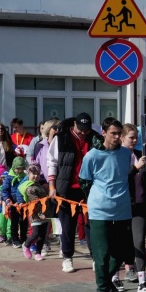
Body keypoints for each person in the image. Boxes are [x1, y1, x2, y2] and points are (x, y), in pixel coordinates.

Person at [79, 119, 135, 292]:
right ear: (103, 133)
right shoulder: (92, 156)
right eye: (114, 133)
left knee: (120, 252)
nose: (118, 137)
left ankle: (107, 282)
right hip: (99, 211)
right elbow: (84, 181)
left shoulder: (126, 154)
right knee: (102, 253)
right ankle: (103, 291)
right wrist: (96, 199)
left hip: (122, 209)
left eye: (120, 133)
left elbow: (126, 175)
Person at [47, 112, 103, 273]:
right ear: (74, 125)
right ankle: (67, 257)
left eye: (86, 129)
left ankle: (95, 257)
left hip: (90, 189)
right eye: (81, 130)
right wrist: (52, 186)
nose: (84, 133)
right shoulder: (61, 138)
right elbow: (52, 162)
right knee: (68, 226)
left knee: (91, 225)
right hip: (67, 189)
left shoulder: (95, 139)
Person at [121, 123, 146, 292]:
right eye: (131, 137)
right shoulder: (117, 156)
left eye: (136, 137)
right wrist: (135, 168)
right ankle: (115, 279)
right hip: (122, 205)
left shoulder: (140, 155)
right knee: (121, 242)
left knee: (139, 241)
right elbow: (119, 178)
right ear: (122, 138)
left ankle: (142, 281)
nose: (134, 140)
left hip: (140, 204)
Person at [19, 164, 50, 261]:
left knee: (42, 235)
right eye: (33, 174)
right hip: (35, 214)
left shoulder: (39, 186)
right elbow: (35, 202)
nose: (36, 176)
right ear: (28, 174)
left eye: (38, 174)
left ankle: (38, 253)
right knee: (35, 233)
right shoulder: (30, 188)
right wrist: (40, 214)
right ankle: (26, 244)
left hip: (45, 213)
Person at [1, 156, 28, 249]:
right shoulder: (9, 177)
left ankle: (24, 238)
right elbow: (4, 190)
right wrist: (7, 199)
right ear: (13, 167)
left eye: (21, 169)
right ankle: (15, 239)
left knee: (24, 221)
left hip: (23, 203)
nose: (20, 171)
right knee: (14, 222)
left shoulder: (25, 177)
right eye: (18, 169)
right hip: (13, 203)